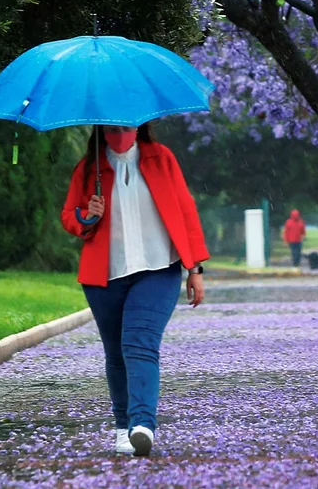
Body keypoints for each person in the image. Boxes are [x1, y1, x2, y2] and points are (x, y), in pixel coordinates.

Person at [61, 122, 209, 457]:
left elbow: (186, 211)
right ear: (102, 130)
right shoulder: (88, 170)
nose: (121, 133)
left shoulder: (161, 158)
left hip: (158, 270)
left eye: (126, 126)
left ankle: (142, 423)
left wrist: (195, 268)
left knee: (139, 343)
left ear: (139, 125)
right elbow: (69, 216)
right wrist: (88, 214)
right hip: (105, 277)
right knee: (116, 353)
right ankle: (121, 426)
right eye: (113, 128)